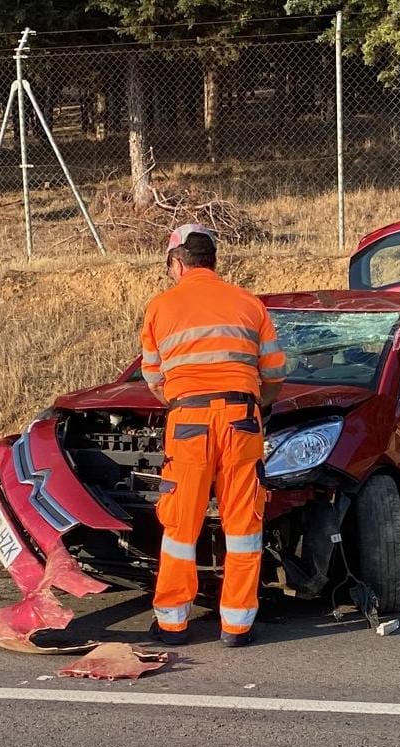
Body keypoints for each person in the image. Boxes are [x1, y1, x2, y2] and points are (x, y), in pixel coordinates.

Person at [139, 223, 287, 647]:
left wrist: (186, 400)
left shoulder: (161, 307)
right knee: (243, 524)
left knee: (181, 523)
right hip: (242, 419)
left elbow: (154, 377)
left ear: (176, 263)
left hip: (189, 423)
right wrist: (258, 406)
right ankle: (237, 626)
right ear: (214, 261)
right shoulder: (248, 303)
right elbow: (274, 372)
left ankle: (173, 624)